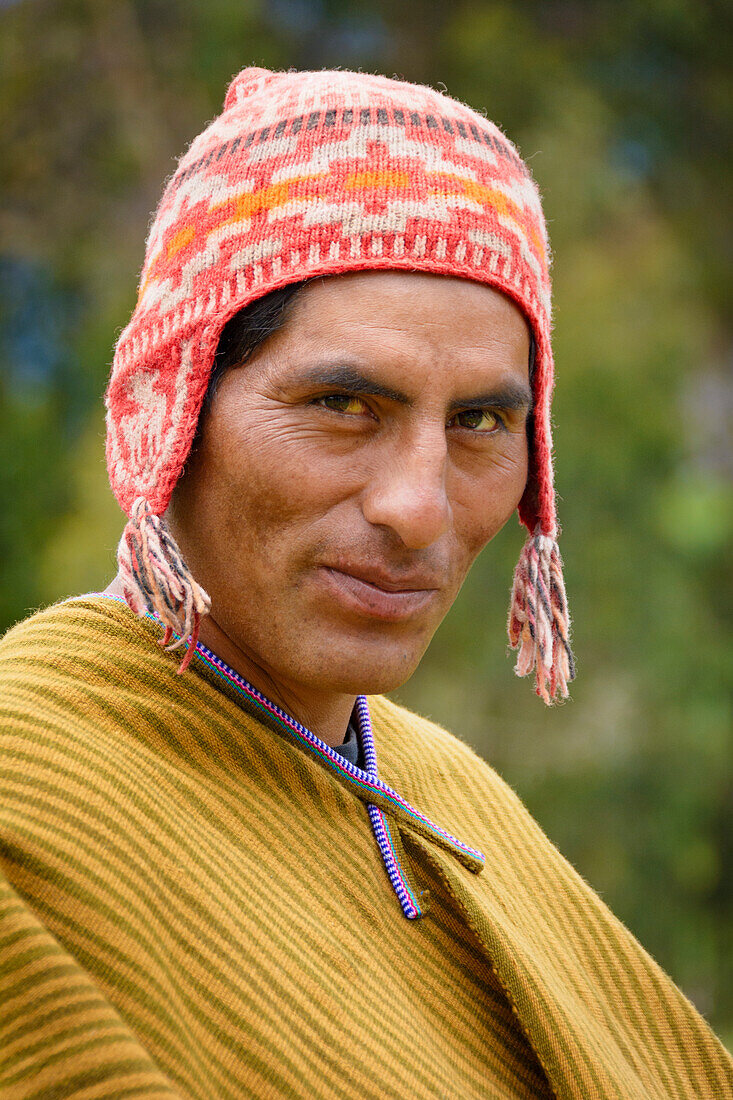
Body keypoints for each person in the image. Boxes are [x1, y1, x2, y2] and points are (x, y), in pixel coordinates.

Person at [0, 66, 730, 1100]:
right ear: (172, 406)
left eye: (481, 422)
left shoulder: (450, 796)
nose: (418, 507)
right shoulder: (27, 803)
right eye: (343, 401)